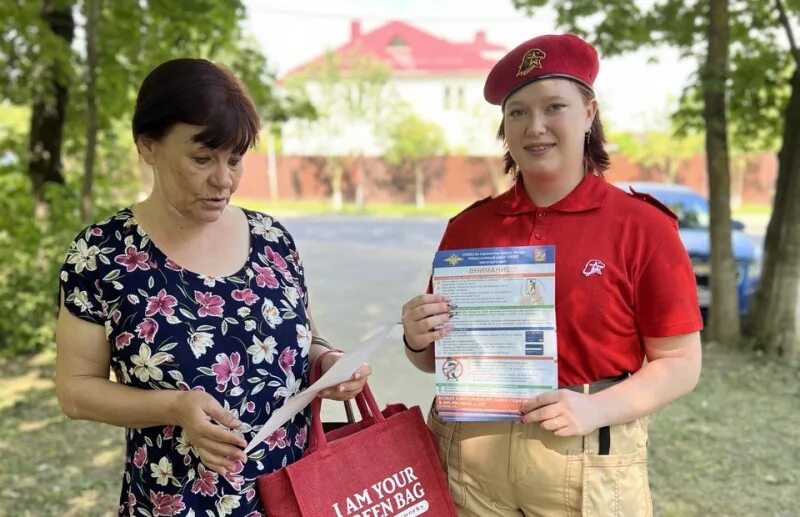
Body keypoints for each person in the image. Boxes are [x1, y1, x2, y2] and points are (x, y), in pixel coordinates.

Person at [401, 34, 702, 516]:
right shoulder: (468, 228)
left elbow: (681, 362)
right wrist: (418, 340)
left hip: (588, 460)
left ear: (588, 113)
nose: (534, 126)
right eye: (517, 112)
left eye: (554, 107)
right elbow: (440, 357)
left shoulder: (643, 227)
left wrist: (593, 409)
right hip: (467, 461)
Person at [55, 58, 371, 516]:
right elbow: (75, 391)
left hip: (296, 495)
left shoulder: (272, 239)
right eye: (202, 159)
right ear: (147, 146)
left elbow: (306, 341)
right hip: (176, 503)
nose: (223, 180)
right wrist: (175, 407)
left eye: (235, 159)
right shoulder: (101, 253)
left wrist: (326, 363)